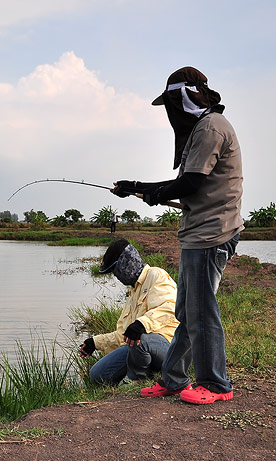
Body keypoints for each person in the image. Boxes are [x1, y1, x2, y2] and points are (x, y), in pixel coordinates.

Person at [112, 66, 243, 405]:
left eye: (171, 102)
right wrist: (136, 188)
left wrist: (150, 191)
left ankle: (216, 384)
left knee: (202, 312)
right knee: (187, 310)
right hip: (197, 234)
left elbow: (191, 183)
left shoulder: (212, 127)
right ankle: (173, 379)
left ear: (184, 96)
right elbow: (187, 185)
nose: (170, 112)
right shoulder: (204, 127)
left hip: (212, 234)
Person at [79, 239, 179, 386]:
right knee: (97, 375)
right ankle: (147, 369)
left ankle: (137, 380)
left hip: (168, 346)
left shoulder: (156, 275)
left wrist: (142, 324)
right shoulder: (132, 293)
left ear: (126, 263)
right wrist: (95, 342)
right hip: (138, 347)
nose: (116, 276)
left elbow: (170, 307)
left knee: (140, 339)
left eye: (115, 269)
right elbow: (124, 335)